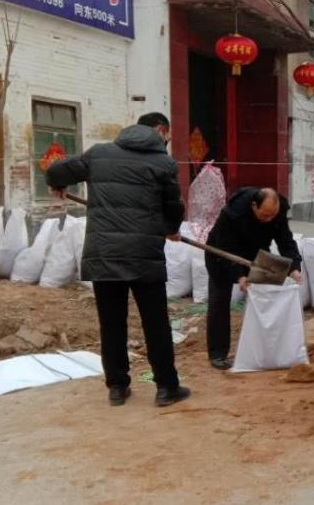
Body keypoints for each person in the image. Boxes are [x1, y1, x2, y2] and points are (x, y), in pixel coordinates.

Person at [45, 112, 191, 407]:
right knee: (156, 323)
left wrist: (58, 183)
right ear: (160, 130)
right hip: (144, 255)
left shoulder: (99, 153)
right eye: (168, 135)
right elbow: (174, 207)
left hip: (104, 254)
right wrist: (171, 230)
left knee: (111, 323)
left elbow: (56, 171)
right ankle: (166, 388)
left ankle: (117, 387)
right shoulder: (163, 163)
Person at [205, 187, 303, 369]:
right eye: (265, 215)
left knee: (268, 296)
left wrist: (294, 268)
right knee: (219, 300)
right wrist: (239, 276)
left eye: (272, 215)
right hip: (222, 255)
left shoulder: (277, 212)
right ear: (253, 206)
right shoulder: (232, 214)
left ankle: (269, 348)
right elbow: (226, 247)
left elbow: (286, 241)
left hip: (256, 255)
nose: (269, 219)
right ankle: (218, 353)